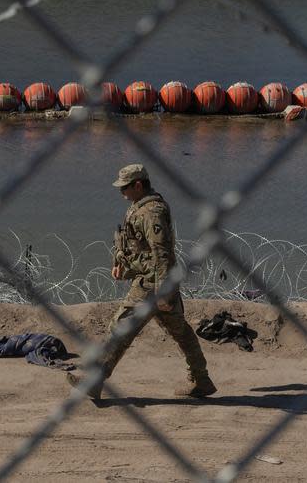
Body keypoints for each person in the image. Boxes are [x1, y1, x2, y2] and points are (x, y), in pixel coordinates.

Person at [66, 163, 216, 400]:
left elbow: (161, 252)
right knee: (180, 331)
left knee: (120, 327)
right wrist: (121, 264)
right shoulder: (140, 206)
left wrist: (163, 290)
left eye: (125, 187)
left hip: (152, 283)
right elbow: (136, 244)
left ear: (138, 185)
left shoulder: (151, 212)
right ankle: (202, 379)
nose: (121, 192)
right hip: (156, 281)